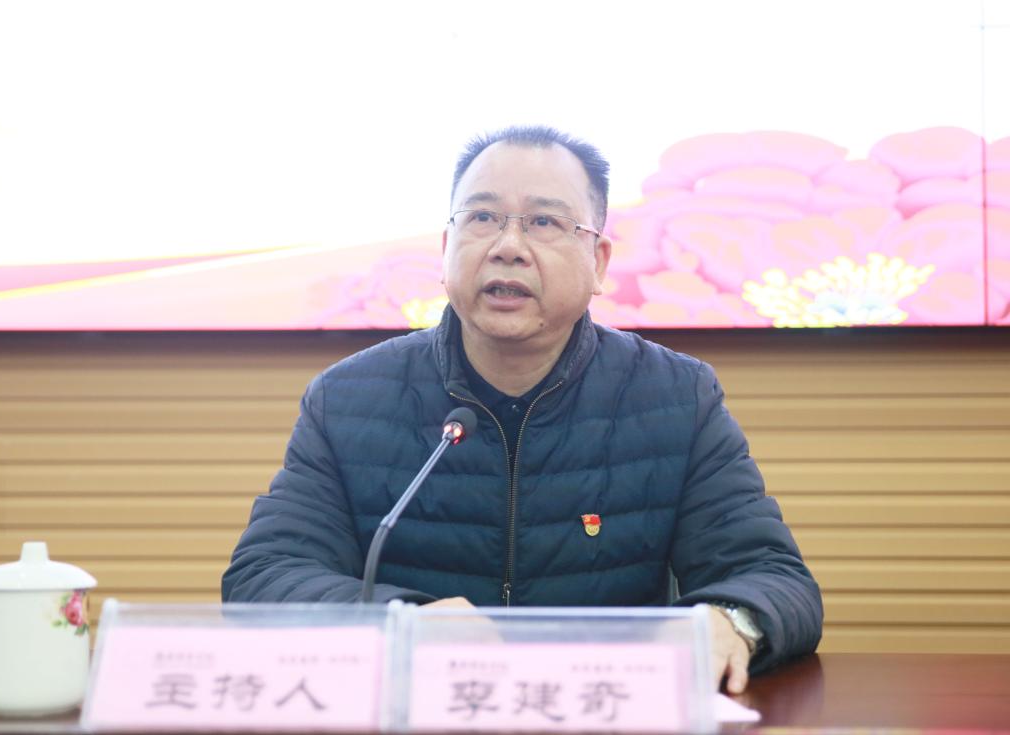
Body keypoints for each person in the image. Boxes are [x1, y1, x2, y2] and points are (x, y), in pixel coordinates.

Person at [222, 126, 823, 693]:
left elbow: (773, 578)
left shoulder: (674, 397)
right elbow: (265, 574)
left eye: (544, 222)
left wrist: (730, 620)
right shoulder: (350, 399)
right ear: (446, 249)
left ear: (599, 263)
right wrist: (399, 623)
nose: (508, 247)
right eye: (482, 217)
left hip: (604, 710)